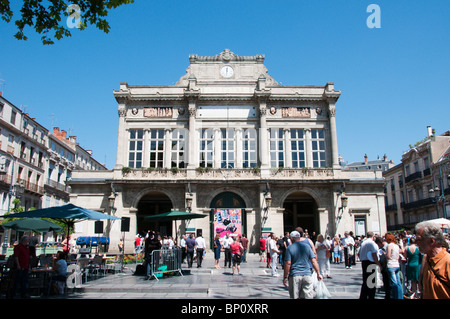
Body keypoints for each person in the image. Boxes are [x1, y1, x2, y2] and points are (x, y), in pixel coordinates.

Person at [415, 221, 450, 299]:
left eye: (418, 239)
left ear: (432, 241)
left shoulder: (447, 261)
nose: (416, 242)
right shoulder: (427, 260)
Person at [283, 231, 322, 299]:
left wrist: (285, 277)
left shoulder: (289, 248)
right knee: (307, 296)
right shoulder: (307, 246)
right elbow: (313, 261)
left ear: (292, 238)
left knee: (295, 296)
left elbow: (288, 263)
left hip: (295, 275)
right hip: (307, 275)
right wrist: (318, 273)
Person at [358, 231, 382, 299]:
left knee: (365, 281)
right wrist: (378, 264)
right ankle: (371, 296)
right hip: (371, 262)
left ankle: (363, 296)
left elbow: (359, 253)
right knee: (371, 282)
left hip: (364, 262)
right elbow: (374, 254)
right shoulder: (372, 243)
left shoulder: (363, 243)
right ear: (373, 236)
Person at [385, 232, 403, 299]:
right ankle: (400, 296)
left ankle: (395, 296)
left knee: (394, 283)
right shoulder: (396, 246)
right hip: (397, 264)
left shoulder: (389, 245)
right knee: (398, 283)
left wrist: (385, 254)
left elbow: (388, 256)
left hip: (391, 264)